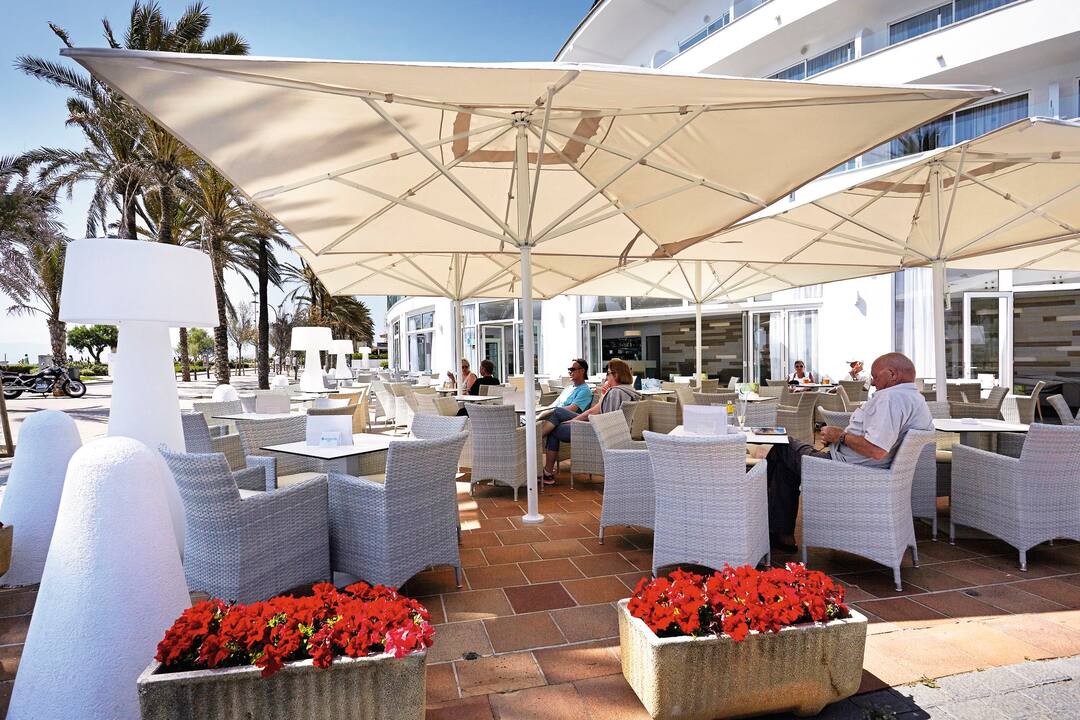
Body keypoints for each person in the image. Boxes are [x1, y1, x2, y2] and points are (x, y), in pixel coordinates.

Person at [764, 352, 933, 552]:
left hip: (846, 472)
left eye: (875, 376)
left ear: (893, 374)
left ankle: (757, 516)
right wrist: (841, 437)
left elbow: (876, 449)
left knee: (783, 445)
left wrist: (840, 436)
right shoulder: (916, 398)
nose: (873, 382)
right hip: (868, 471)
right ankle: (781, 534)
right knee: (785, 464)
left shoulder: (890, 398)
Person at [539, 358, 596, 483]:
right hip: (559, 422)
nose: (570, 372)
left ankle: (533, 439)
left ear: (582, 371)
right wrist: (540, 411)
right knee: (553, 430)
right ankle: (548, 473)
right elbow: (554, 404)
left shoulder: (585, 390)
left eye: (572, 369)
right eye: (569, 369)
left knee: (558, 411)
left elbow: (572, 409)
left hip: (576, 423)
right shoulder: (568, 388)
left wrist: (545, 414)